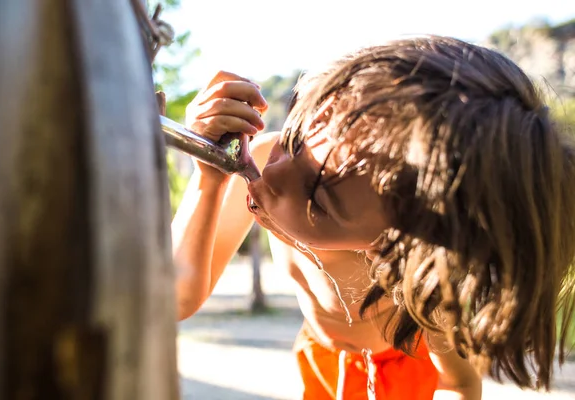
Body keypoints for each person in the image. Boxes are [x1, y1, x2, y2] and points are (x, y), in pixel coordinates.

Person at [170, 35, 575, 400]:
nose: (273, 174)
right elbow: (175, 296)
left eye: (318, 201)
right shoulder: (262, 158)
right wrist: (209, 176)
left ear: (395, 249)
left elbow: (460, 384)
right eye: (293, 138)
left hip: (401, 364)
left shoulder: (411, 283)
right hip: (320, 354)